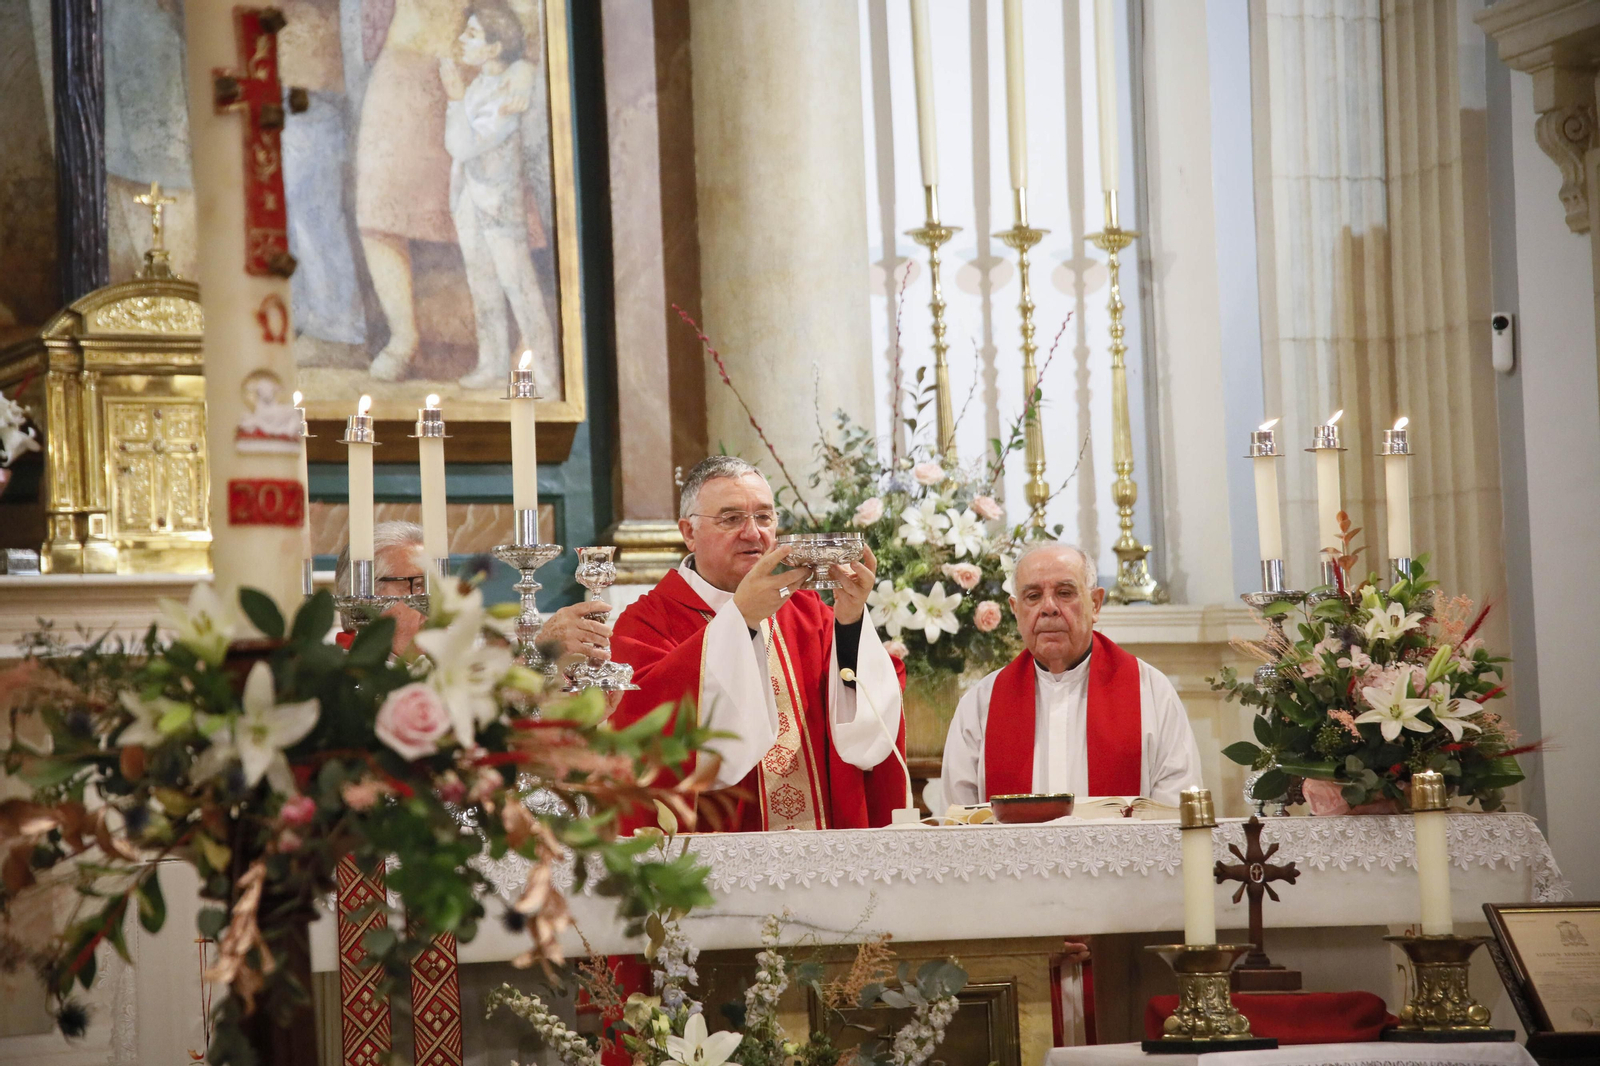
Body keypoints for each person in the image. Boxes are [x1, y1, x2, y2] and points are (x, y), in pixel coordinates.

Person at [610, 456, 909, 831]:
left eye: (764, 517)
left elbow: (868, 718)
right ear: (689, 532)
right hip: (719, 847)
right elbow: (643, 726)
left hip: (822, 848)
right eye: (731, 518)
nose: (752, 533)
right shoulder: (647, 622)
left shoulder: (809, 612)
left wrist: (849, 622)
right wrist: (740, 620)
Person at [941, 541, 1202, 806]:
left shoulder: (1151, 692)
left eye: (1065, 593)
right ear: (1015, 610)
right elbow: (960, 816)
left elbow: (1175, 808)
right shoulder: (980, 704)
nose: (1048, 607)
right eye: (1033, 596)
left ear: (1095, 604)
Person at [440, 3, 557, 392]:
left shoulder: (511, 88)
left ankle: (545, 372)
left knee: (517, 284)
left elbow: (464, 145)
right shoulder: (480, 84)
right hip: (469, 200)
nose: (462, 40)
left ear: (494, 48)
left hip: (498, 203)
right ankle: (491, 364)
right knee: (482, 283)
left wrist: (454, 100)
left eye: (472, 35)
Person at [335, 520, 609, 659]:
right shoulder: (341, 676)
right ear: (365, 595)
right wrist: (537, 650)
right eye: (418, 585)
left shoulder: (461, 652)